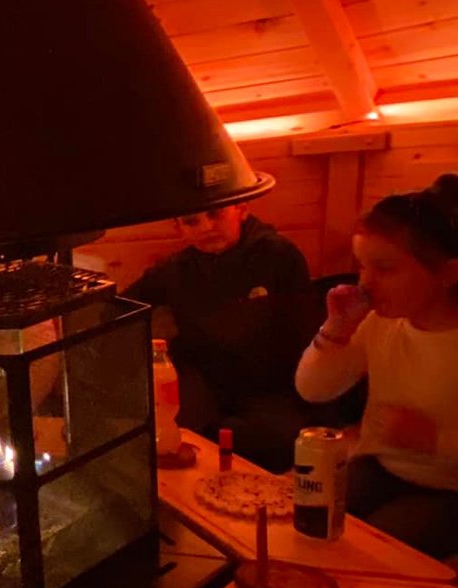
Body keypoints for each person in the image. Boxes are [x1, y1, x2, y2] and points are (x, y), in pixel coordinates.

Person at [295, 175, 458, 560]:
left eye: (384, 269)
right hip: (381, 465)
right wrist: (336, 330)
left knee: (373, 547)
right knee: (306, 520)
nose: (365, 283)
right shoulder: (381, 323)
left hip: (448, 489)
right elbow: (313, 390)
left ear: (449, 274)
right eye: (362, 267)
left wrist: (436, 441)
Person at [126, 202, 316, 472]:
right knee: (172, 431)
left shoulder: (279, 255)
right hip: (204, 384)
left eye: (216, 214)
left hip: (269, 388)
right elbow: (121, 307)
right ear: (179, 228)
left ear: (242, 209)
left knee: (278, 439)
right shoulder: (173, 271)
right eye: (192, 221)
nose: (207, 227)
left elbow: (305, 332)